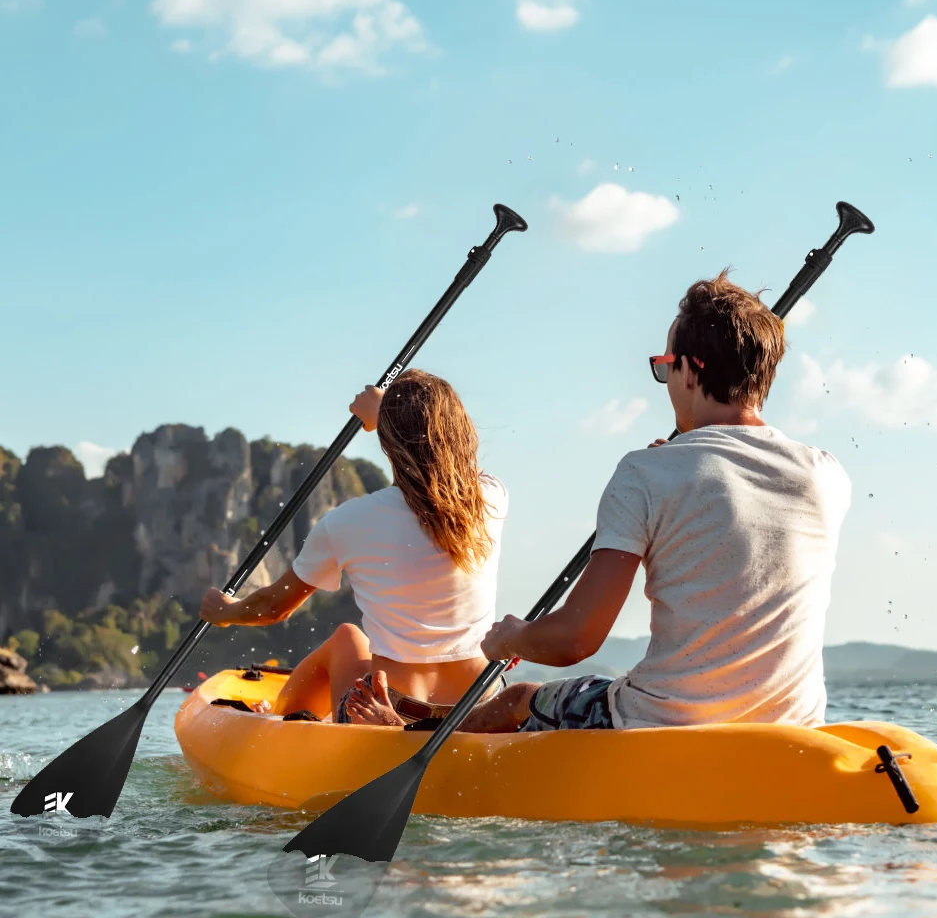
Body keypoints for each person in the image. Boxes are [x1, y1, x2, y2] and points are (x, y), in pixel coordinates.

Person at [348, 270, 850, 732]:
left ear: (691, 371)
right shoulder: (826, 474)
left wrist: (512, 638)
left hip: (657, 720)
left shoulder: (645, 473)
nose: (667, 385)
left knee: (520, 698)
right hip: (791, 726)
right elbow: (736, 533)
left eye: (664, 368)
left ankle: (408, 735)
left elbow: (575, 639)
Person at [199, 369, 508, 725]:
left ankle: (284, 729)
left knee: (346, 638)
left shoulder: (346, 522)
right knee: (353, 641)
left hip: (389, 707)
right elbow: (444, 464)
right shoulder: (492, 498)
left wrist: (225, 612)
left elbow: (272, 608)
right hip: (481, 705)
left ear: (389, 438)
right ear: (461, 429)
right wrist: (387, 415)